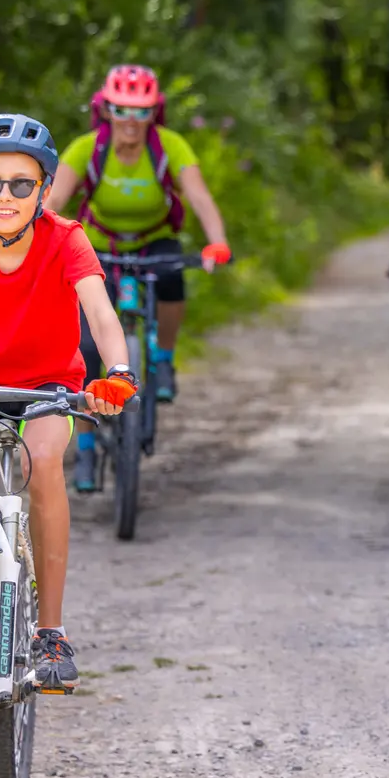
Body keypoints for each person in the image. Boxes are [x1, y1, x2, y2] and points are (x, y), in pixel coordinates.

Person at [0, 114, 139, 693]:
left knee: (41, 465)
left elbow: (103, 316)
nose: (4, 196)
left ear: (44, 189)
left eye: (20, 183)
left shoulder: (66, 239)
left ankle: (49, 631)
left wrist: (117, 372)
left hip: (43, 389)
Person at [46, 64, 231, 491]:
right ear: (105, 110)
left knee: (172, 280)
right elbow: (54, 201)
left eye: (141, 112)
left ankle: (163, 360)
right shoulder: (88, 149)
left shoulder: (169, 147)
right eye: (121, 110)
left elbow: (199, 197)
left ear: (154, 113)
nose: (130, 121)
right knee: (88, 344)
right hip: (99, 245)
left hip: (154, 241)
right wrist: (45, 248)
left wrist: (216, 243)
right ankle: (87, 447)